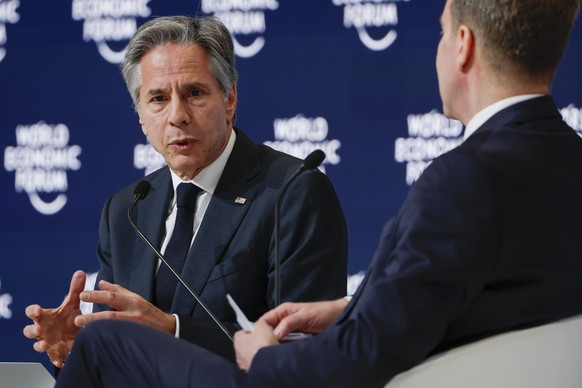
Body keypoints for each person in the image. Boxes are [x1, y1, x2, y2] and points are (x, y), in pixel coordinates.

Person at [55, 0, 582, 386]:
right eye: (157, 99)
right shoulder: (563, 160)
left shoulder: (460, 179)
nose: (177, 115)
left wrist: (260, 356)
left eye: (442, 33)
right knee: (98, 339)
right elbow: (468, 303)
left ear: (462, 47)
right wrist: (353, 307)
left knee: (106, 342)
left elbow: (363, 354)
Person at [23, 16, 348, 367]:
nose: (177, 115)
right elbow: (119, 353)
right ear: (141, 118)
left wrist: (174, 330)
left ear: (229, 99)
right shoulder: (126, 210)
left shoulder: (291, 193)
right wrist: (82, 354)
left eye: (194, 93)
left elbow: (300, 349)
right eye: (158, 98)